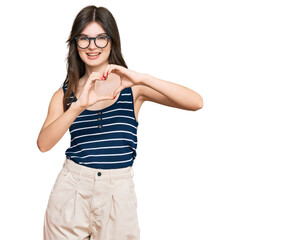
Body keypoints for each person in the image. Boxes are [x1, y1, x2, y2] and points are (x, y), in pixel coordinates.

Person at [37, 5, 203, 240]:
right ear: (75, 44)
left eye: (100, 38)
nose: (92, 46)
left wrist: (143, 78)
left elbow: (196, 102)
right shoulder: (64, 94)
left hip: (117, 191)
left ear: (112, 41)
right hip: (71, 189)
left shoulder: (132, 89)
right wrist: (78, 106)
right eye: (84, 39)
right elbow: (43, 144)